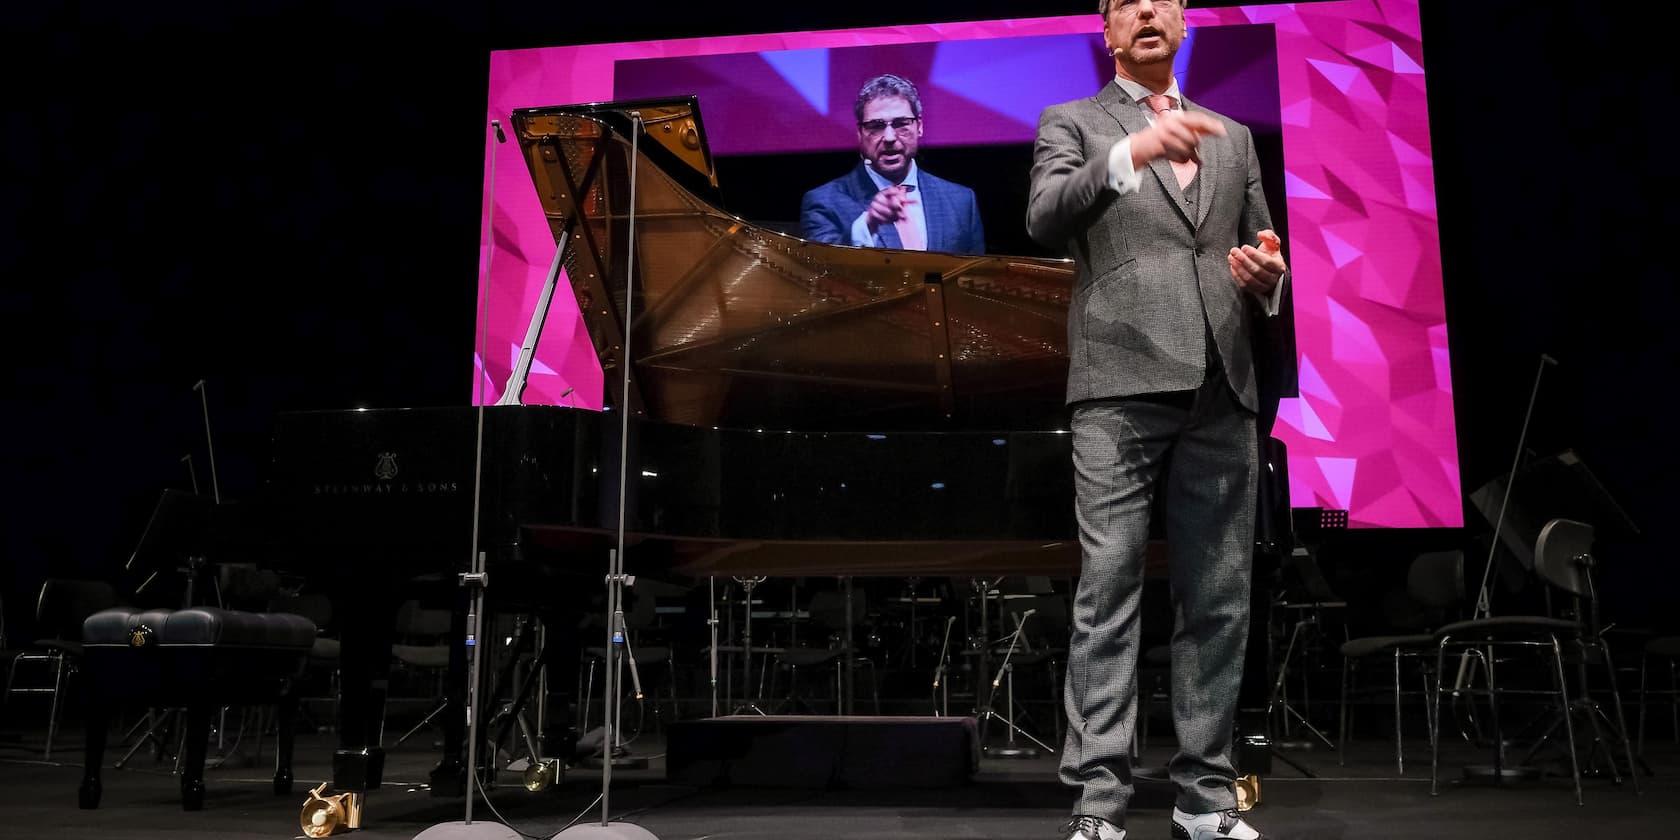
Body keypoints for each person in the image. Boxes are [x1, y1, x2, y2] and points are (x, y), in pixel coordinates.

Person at [1025, 2, 1291, 839]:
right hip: (1120, 383)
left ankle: (1204, 797)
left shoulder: (1233, 135)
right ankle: (1099, 804)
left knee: (1219, 600)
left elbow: (1263, 244)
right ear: (1107, 34)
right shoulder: (1071, 122)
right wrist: (1131, 150)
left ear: (1183, 22)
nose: (1146, 9)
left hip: (1224, 383)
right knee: (1110, 594)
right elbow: (1044, 214)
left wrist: (1268, 277)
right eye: (1125, 3)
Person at [800, 74, 986, 254]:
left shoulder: (961, 201)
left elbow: (975, 278)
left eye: (900, 123)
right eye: (876, 126)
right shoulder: (824, 203)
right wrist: (868, 224)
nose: (889, 137)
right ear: (860, 133)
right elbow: (822, 270)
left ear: (919, 126)